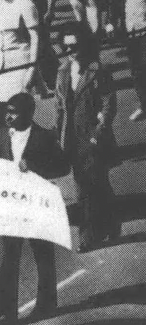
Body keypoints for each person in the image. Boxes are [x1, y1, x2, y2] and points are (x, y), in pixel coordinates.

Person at [0, 92, 70, 322]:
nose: (8, 117)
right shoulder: (2, 136)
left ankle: (47, 305)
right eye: (7, 112)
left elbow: (63, 167)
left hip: (36, 206)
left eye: (14, 112)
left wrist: (35, 166)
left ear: (29, 114)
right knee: (8, 260)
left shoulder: (44, 137)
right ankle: (8, 312)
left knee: (43, 256)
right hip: (11, 207)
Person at [55, 29, 119, 253]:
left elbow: (108, 105)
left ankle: (88, 236)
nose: (71, 52)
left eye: (75, 46)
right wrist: (59, 137)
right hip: (72, 136)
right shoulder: (63, 72)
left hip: (93, 137)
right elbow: (59, 108)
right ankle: (106, 225)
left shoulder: (97, 71)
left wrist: (98, 134)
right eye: (67, 47)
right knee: (83, 184)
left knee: (94, 183)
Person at [0, 0, 40, 103]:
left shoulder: (26, 5)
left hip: (20, 63)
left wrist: (32, 68)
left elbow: (35, 38)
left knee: (18, 107)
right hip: (1, 64)